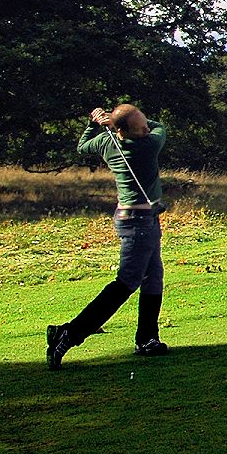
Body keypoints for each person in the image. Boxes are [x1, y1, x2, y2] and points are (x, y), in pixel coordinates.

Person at [47, 104, 169, 369]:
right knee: (126, 283)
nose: (147, 129)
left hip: (138, 218)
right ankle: (68, 334)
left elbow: (83, 146)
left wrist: (95, 124)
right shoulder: (147, 146)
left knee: (153, 277)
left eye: (146, 124)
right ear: (125, 133)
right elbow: (161, 128)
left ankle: (147, 338)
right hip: (139, 223)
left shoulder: (107, 142)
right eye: (141, 128)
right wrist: (120, 125)